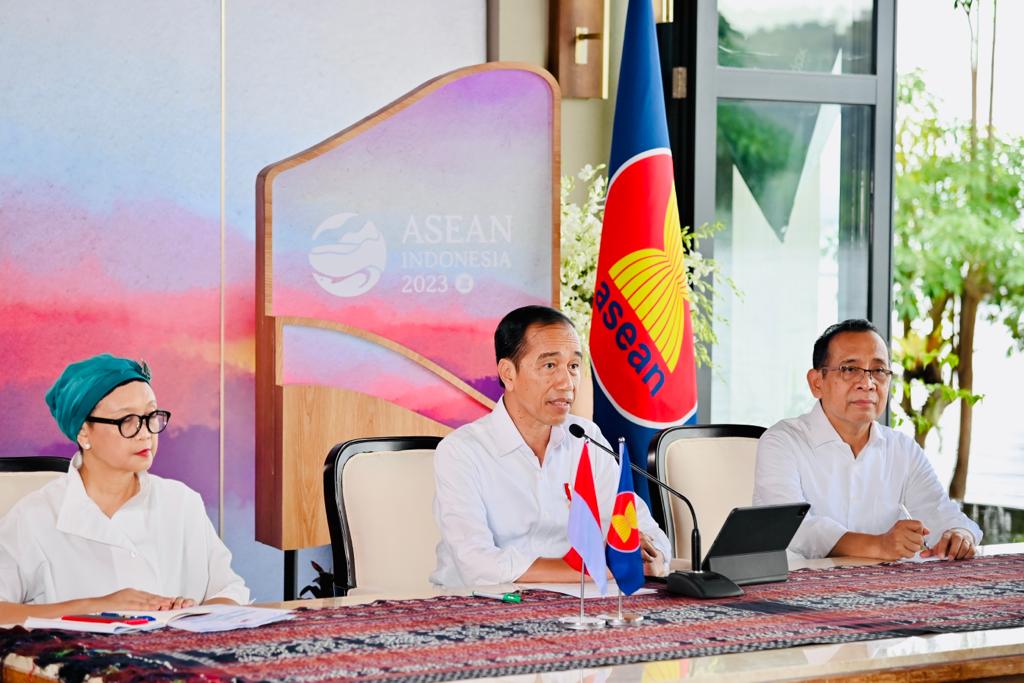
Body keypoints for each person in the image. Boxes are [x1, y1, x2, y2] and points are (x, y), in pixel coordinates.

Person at [431, 305, 671, 587]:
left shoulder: (585, 438)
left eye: (573, 366)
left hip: (579, 603)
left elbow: (648, 532)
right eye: (549, 366)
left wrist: (649, 556)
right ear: (508, 374)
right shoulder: (462, 451)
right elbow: (478, 565)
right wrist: (589, 568)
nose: (567, 382)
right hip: (479, 608)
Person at [0, 354, 249, 625]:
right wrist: (96, 606)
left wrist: (190, 615)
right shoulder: (34, 516)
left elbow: (230, 591)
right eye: (127, 420)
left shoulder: (181, 502)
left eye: (151, 415)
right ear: (84, 433)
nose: (145, 433)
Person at [753, 319, 981, 561]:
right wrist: (879, 545)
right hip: (797, 591)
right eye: (850, 370)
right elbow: (791, 530)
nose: (867, 383)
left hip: (888, 592)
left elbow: (942, 514)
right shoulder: (782, 442)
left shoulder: (902, 449)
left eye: (879, 371)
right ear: (817, 382)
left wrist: (958, 535)